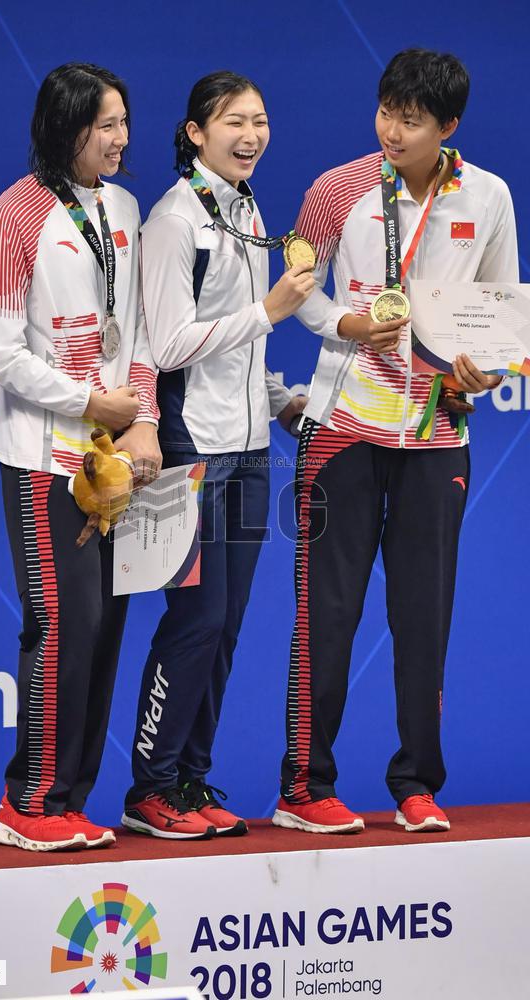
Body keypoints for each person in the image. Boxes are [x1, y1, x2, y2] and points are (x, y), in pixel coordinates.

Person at [273, 48, 518, 836]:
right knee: (328, 614)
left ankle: (416, 784)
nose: (392, 131)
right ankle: (305, 787)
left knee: (424, 616)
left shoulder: (489, 195)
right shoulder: (335, 191)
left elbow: (499, 309)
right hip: (344, 428)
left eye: (411, 121)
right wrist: (348, 323)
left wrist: (486, 369)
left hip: (437, 432)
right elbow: (295, 297)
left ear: (449, 127)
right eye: (386, 112)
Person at [122, 70, 314, 839]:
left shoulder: (245, 208)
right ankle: (150, 789)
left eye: (261, 120)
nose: (251, 135)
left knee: (228, 622)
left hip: (250, 448)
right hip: (189, 446)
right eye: (234, 121)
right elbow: (168, 346)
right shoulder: (175, 221)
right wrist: (268, 311)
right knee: (196, 620)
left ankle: (191, 782)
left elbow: (240, 345)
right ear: (196, 132)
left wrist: (279, 400)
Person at [0, 63, 161, 852]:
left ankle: (69, 801)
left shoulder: (123, 205)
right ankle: (27, 804)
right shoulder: (13, 218)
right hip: (42, 454)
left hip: (113, 456)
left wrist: (141, 419)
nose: (120, 138)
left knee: (104, 627)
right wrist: (92, 405)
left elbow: (141, 331)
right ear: (65, 127)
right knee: (61, 620)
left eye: (124, 121)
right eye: (104, 125)